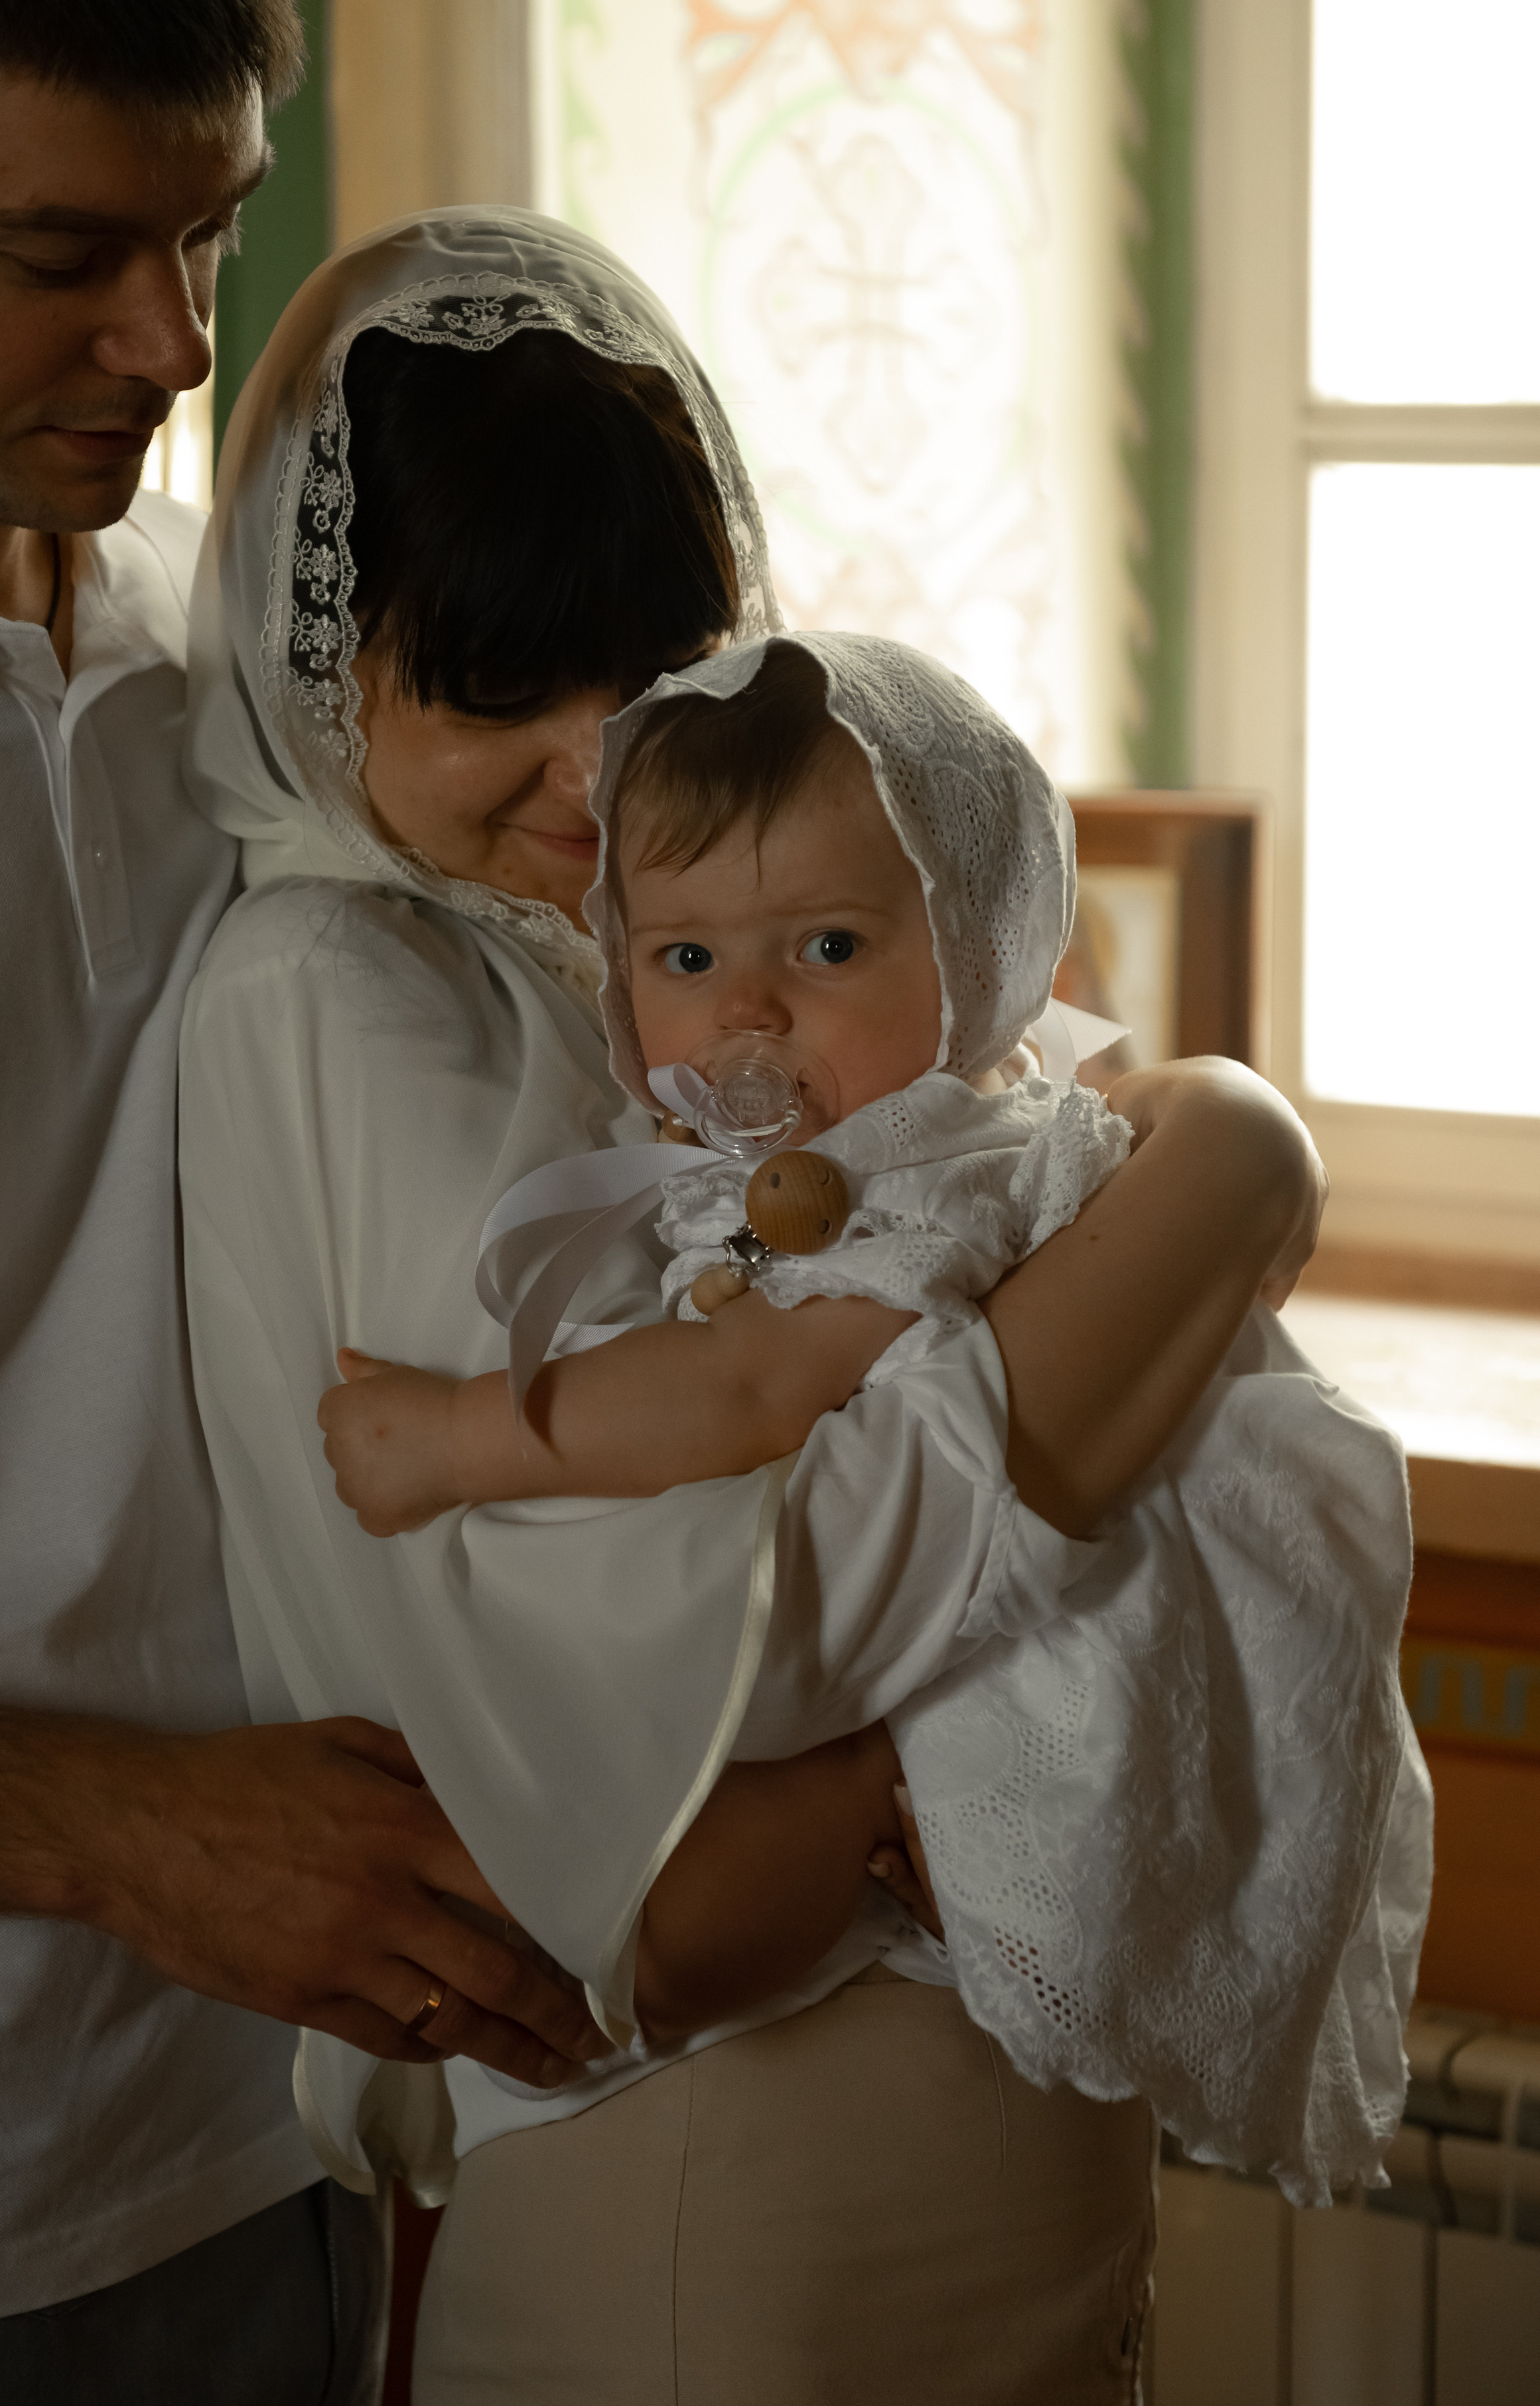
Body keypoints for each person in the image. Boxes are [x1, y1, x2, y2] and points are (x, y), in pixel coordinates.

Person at [179, 208, 1336, 2401]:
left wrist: (1203, 1140)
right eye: (496, 687)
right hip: (713, 2156)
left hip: (964, 2086)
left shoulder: (663, 921)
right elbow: (764, 1612)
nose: (601, 762)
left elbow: (1016, 1136)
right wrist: (1236, 1175)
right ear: (326, 657)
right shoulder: (343, 991)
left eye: (650, 669)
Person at [0, 0, 598, 2395]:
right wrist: (125, 1831)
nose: (176, 341)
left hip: (316, 2117)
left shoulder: (272, 675)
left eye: (209, 232)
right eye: (65, 249)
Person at [329, 629, 1429, 2200]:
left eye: (827, 951)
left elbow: (749, 1390)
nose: (746, 1018)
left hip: (1086, 1600)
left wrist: (456, 1439)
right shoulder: (764, 1166)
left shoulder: (938, 1160)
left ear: (979, 953)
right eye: (685, 960)